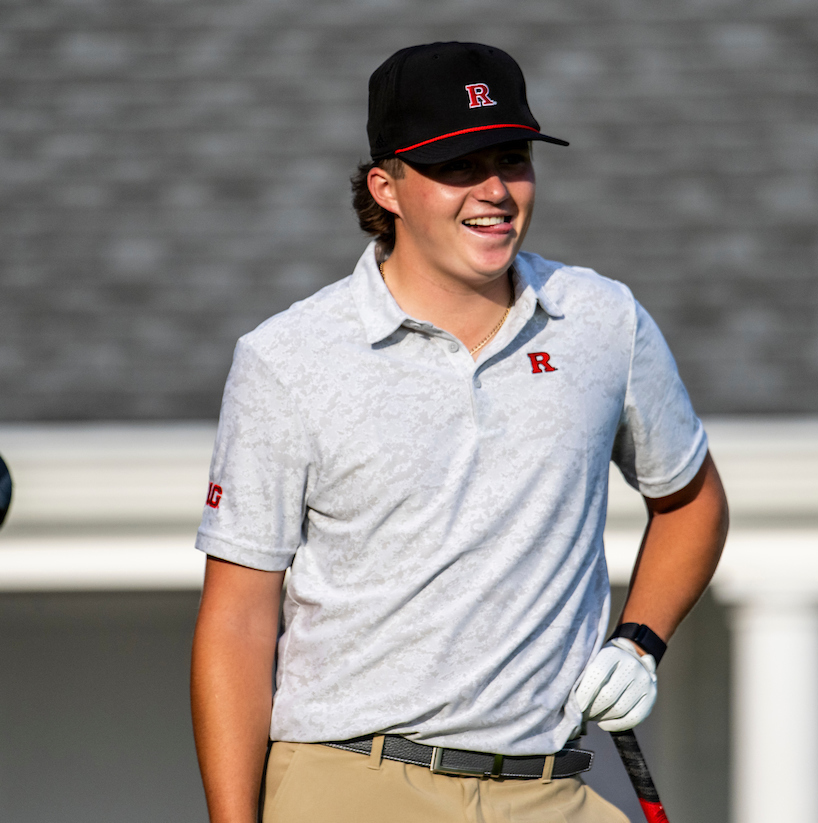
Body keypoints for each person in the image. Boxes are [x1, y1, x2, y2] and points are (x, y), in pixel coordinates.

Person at [190, 41, 728, 823]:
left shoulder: (601, 320)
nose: (495, 190)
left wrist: (638, 641)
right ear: (388, 186)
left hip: (551, 785)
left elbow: (691, 500)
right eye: (456, 166)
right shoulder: (287, 358)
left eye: (511, 159)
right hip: (354, 782)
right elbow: (236, 620)